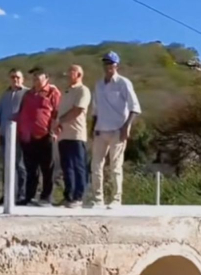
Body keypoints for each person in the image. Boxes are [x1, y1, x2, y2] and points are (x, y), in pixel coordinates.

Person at [90, 51, 141, 209]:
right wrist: (93, 128)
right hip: (101, 130)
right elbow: (95, 108)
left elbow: (135, 107)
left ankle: (116, 199)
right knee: (96, 165)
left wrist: (126, 127)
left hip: (117, 130)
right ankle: (98, 198)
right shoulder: (98, 84)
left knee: (115, 166)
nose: (108, 66)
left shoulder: (123, 83)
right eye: (105, 63)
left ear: (116, 65)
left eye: (111, 63)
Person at [16, 66, 61, 206]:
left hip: (45, 135)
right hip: (28, 137)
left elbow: (57, 113)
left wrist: (54, 131)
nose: (35, 79)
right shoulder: (28, 94)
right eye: (34, 77)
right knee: (31, 169)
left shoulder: (53, 92)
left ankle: (46, 197)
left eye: (38, 76)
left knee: (47, 168)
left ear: (46, 78)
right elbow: (22, 112)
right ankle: (29, 196)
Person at [54, 65, 91, 208]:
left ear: (79, 74)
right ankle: (68, 196)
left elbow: (77, 110)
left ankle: (78, 197)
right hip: (63, 135)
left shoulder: (83, 90)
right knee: (66, 167)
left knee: (78, 166)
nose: (68, 75)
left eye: (71, 72)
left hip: (76, 135)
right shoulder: (66, 92)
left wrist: (60, 121)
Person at [0, 68, 28, 205]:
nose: (15, 80)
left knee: (20, 165)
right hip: (4, 135)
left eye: (18, 77)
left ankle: (21, 194)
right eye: (13, 77)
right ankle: (7, 195)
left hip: (20, 136)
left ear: (22, 79)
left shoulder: (27, 93)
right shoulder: (5, 95)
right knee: (7, 166)